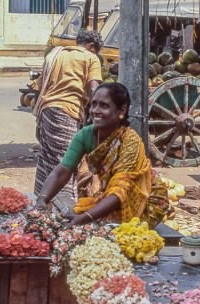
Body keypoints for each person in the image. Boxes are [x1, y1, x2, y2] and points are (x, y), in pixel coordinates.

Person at [35, 82, 170, 229]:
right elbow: (62, 171)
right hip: (111, 198)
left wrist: (84, 218)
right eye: (94, 104)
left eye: (104, 106)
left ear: (122, 111)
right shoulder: (85, 135)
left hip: (146, 201)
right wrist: (43, 199)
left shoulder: (130, 142)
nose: (95, 111)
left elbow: (121, 191)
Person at [33, 29, 104, 199]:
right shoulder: (91, 57)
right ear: (92, 47)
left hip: (46, 110)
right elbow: (95, 88)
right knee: (66, 162)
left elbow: (38, 88)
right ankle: (63, 205)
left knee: (46, 159)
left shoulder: (55, 55)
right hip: (67, 111)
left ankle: (40, 202)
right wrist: (97, 119)